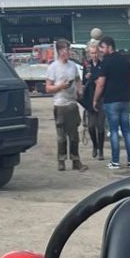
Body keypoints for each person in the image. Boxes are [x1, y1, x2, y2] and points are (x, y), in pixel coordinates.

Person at [92, 35, 130, 172]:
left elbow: (100, 83)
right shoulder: (125, 60)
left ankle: (115, 161)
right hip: (125, 100)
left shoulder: (106, 62)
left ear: (109, 47)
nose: (101, 50)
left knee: (114, 131)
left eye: (102, 47)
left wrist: (94, 99)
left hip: (111, 101)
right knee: (127, 131)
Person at [44, 37, 84, 171]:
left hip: (72, 104)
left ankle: (75, 159)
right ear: (60, 51)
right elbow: (48, 88)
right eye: (65, 49)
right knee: (61, 136)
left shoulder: (73, 66)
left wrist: (80, 90)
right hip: (60, 104)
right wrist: (60, 86)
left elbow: (78, 80)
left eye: (68, 49)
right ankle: (61, 160)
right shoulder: (53, 67)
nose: (67, 51)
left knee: (74, 135)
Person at [80, 39, 105, 159]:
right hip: (90, 97)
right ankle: (95, 145)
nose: (94, 55)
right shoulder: (87, 66)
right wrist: (86, 78)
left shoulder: (103, 65)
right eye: (92, 53)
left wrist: (93, 77)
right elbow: (84, 82)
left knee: (100, 126)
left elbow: (102, 81)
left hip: (101, 98)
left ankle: (101, 150)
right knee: (90, 126)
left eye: (95, 53)